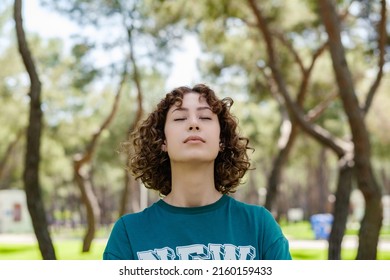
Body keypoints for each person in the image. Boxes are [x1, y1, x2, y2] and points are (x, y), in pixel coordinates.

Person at [103, 84, 292, 260]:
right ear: (163, 142)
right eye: (179, 118)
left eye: (205, 117)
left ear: (221, 141)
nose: (193, 124)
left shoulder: (259, 226)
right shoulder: (129, 232)